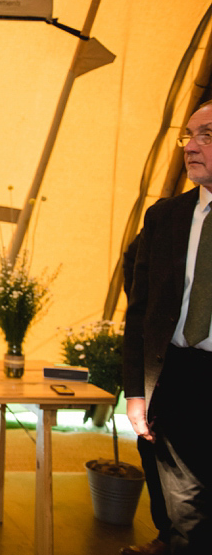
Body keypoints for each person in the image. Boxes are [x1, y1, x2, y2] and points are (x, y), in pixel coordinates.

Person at [125, 100, 212, 553]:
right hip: (176, 375)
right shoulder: (166, 217)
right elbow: (140, 310)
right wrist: (136, 391)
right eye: (187, 135)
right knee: (183, 511)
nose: (190, 147)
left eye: (207, 136)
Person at [121, 235, 171, 555]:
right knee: (153, 443)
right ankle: (167, 536)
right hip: (169, 357)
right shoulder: (170, 219)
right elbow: (134, 261)